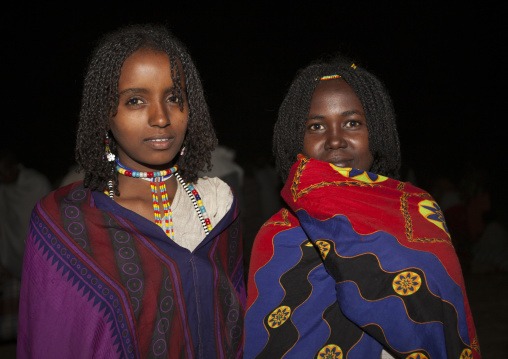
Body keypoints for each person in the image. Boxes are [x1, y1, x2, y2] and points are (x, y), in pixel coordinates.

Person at [17, 24, 245, 358]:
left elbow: (236, 322)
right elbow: (55, 341)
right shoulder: (64, 222)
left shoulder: (217, 203)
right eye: (135, 100)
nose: (160, 117)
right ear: (104, 114)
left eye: (173, 98)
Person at [244, 56, 480, 358]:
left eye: (352, 123)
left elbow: (443, 317)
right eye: (316, 126)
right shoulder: (277, 236)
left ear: (376, 133)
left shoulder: (417, 209)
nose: (334, 140)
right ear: (296, 139)